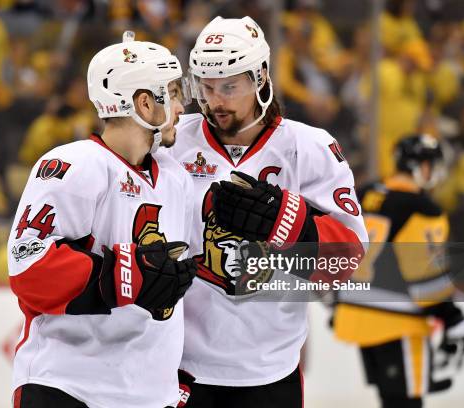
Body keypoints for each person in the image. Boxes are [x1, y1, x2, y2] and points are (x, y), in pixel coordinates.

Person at [166, 16, 368, 408]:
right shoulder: (172, 143)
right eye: (206, 87)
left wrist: (291, 224)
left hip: (270, 370)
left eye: (229, 86)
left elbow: (350, 261)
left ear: (259, 77)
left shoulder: (309, 148)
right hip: (179, 366)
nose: (215, 101)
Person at [8, 32, 197, 408]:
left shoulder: (177, 179)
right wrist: (126, 275)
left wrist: (173, 378)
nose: (181, 108)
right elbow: (29, 272)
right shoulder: (72, 166)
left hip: (147, 395)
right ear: (145, 103)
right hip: (68, 388)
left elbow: (178, 287)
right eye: (173, 94)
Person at [333, 134, 464, 408]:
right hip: (396, 322)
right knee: (406, 403)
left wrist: (336, 301)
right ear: (422, 167)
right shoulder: (422, 208)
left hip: (353, 313)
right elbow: (425, 277)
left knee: (391, 400)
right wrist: (452, 317)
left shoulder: (364, 192)